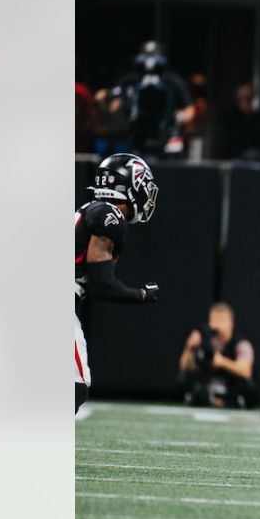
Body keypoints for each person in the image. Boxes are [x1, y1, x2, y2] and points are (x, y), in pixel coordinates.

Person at [74, 154, 162, 413]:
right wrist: (142, 295)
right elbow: (102, 285)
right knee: (74, 386)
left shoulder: (92, 210)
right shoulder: (109, 216)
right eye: (143, 185)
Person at [178, 302, 259, 409]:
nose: (217, 324)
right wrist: (190, 347)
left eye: (221, 319)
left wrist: (221, 362)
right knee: (183, 379)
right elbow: (184, 366)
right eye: (214, 319)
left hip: (231, 389)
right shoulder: (204, 340)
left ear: (231, 322)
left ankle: (223, 402)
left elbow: (246, 371)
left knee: (249, 386)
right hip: (208, 386)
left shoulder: (241, 343)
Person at [219, 82, 260, 161]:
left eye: (248, 98)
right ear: (237, 99)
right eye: (242, 98)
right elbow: (227, 146)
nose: (245, 101)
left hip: (259, 164)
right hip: (235, 163)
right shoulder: (229, 119)